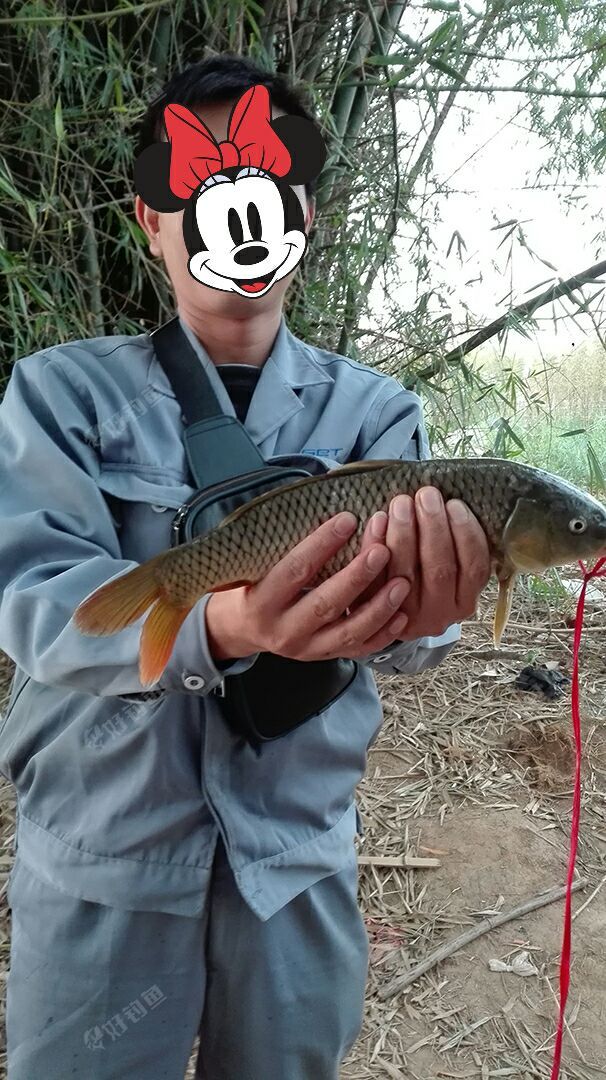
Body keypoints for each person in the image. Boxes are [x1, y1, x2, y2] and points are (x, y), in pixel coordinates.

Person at [0, 54, 490, 1080]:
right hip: (102, 857)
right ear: (152, 219)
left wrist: (428, 615)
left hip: (293, 863)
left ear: (303, 210)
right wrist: (225, 627)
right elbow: (33, 600)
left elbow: (416, 639)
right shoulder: (59, 397)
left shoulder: (376, 414)